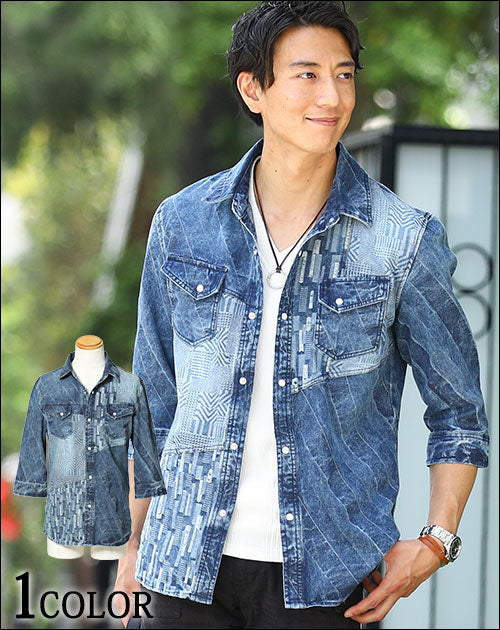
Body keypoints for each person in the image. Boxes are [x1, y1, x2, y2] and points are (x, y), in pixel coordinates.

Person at [115, 1, 489, 628]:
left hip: (329, 585)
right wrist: (132, 549)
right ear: (253, 89)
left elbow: (459, 411)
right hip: (182, 569)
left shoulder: (402, 240)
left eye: (344, 75)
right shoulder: (183, 223)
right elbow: (154, 404)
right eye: (307, 74)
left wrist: (436, 541)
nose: (332, 97)